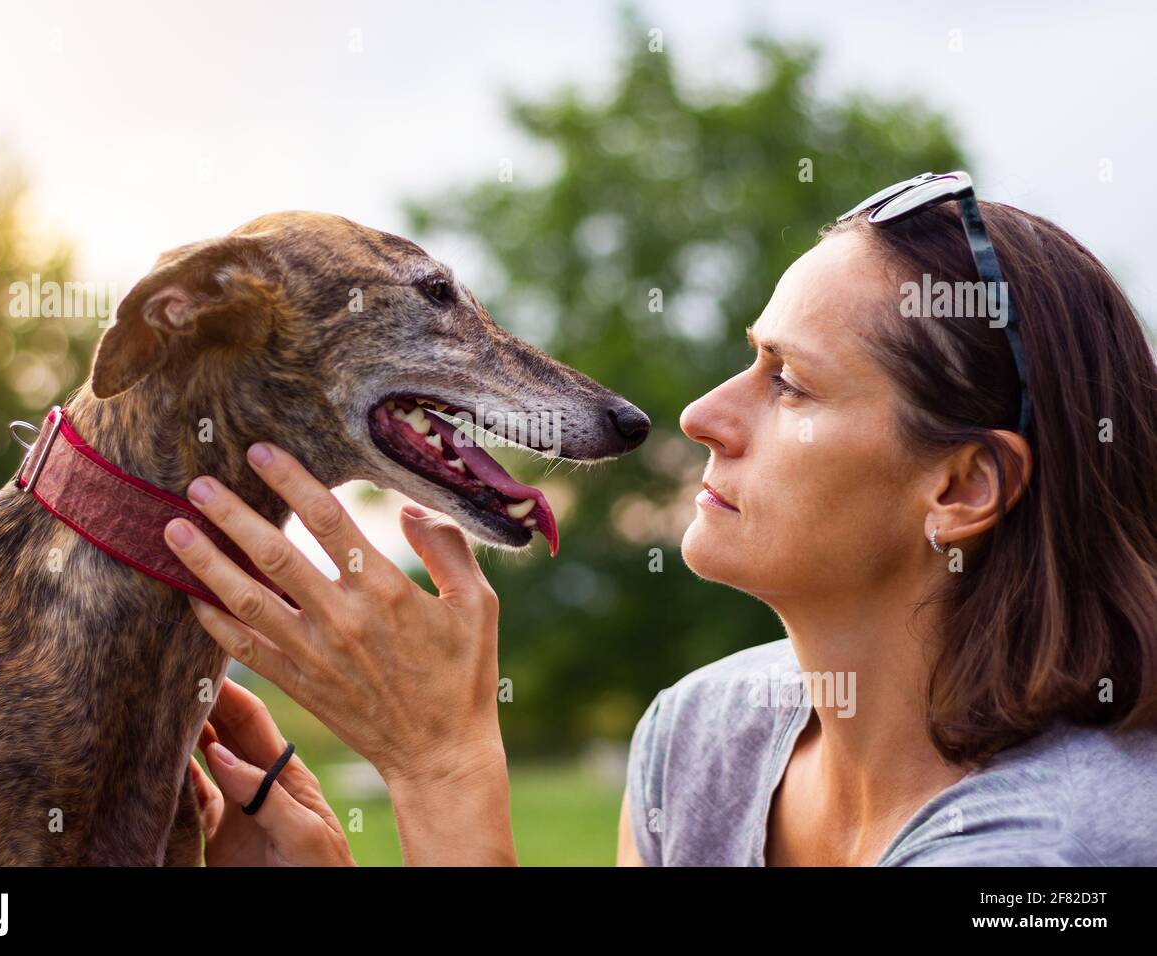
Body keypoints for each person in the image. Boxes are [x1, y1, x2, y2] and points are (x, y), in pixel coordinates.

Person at [163, 173, 1157, 866]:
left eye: (793, 385)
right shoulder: (699, 740)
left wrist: (440, 768)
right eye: (748, 358)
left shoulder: (1058, 848)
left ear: (962, 486)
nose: (701, 415)